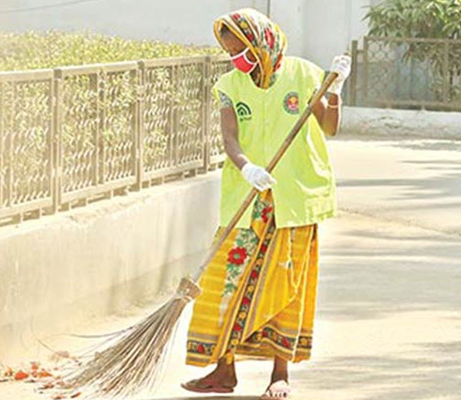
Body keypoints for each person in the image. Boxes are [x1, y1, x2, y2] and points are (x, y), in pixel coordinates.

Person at [181, 8, 350, 400]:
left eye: (240, 49)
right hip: (247, 197)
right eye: (229, 50)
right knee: (224, 284)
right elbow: (230, 140)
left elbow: (329, 128)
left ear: (262, 42)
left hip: (295, 199)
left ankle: (280, 374)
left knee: (286, 285)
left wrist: (335, 91)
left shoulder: (304, 75)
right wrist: (247, 168)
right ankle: (224, 372)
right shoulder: (229, 84)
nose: (235, 58)